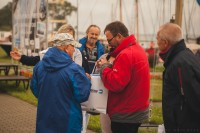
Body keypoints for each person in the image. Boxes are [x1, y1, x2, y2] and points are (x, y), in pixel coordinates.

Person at [30, 33, 91, 133]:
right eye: (73, 47)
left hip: (45, 119)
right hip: (68, 122)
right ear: (67, 48)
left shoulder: (39, 66)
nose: (75, 50)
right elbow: (82, 95)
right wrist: (86, 79)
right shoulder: (74, 69)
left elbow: (35, 90)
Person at [96, 21, 150, 133]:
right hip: (135, 110)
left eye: (109, 40)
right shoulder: (137, 49)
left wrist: (104, 67)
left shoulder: (125, 54)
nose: (108, 44)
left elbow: (115, 84)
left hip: (125, 113)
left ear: (119, 36)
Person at [157, 23, 200, 133]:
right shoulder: (185, 55)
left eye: (157, 39)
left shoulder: (179, 63)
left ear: (166, 42)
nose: (156, 42)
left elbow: (193, 97)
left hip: (184, 126)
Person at [10, 24, 82, 66]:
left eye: (70, 37)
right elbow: (36, 60)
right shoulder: (50, 52)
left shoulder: (76, 52)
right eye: (64, 36)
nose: (67, 40)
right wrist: (21, 58)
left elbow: (77, 71)